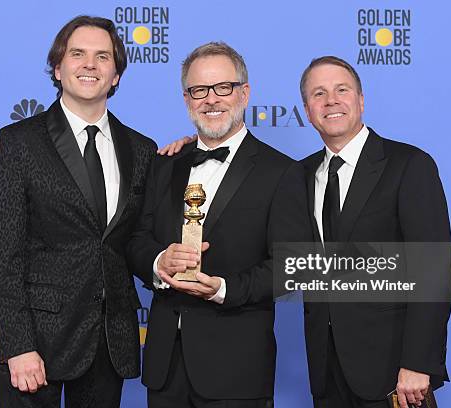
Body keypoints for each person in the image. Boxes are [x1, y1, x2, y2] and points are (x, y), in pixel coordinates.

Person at [127, 42, 312, 408]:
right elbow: (136, 239)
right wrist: (158, 262)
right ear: (186, 99)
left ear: (244, 93)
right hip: (165, 369)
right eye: (199, 90)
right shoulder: (164, 163)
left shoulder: (282, 172)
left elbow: (292, 267)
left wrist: (224, 289)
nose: (211, 100)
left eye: (222, 87)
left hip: (237, 371)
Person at [0, 15, 156, 408]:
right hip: (37, 343)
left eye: (103, 56)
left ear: (116, 75)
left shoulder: (143, 150)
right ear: (58, 68)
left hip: (109, 343)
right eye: (77, 54)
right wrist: (17, 346)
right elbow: (1, 259)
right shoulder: (18, 144)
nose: (90, 65)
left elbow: (136, 240)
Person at [299, 56, 451, 408]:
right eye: (318, 94)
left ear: (361, 99)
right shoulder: (300, 175)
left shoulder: (409, 165)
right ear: (307, 110)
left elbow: (434, 272)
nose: (331, 101)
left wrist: (417, 362)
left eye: (342, 90)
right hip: (327, 373)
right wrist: (190, 149)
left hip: (394, 375)